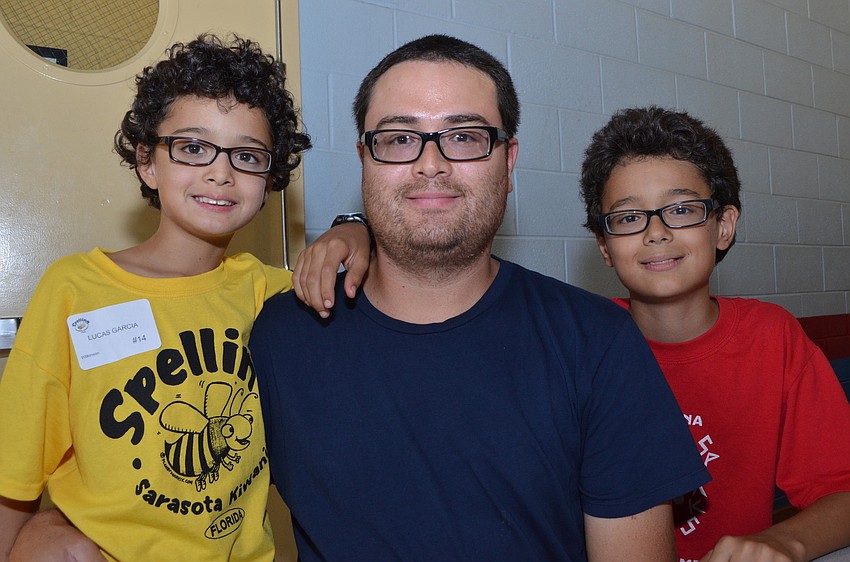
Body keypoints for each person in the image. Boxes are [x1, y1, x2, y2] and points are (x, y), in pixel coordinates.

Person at [250, 34, 710, 561]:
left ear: (508, 160)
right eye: (400, 138)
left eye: (465, 136)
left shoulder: (595, 342)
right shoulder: (280, 335)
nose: (430, 163)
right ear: (364, 159)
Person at [0, 34, 370, 562]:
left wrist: (355, 230)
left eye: (247, 155)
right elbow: (14, 472)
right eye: (193, 147)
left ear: (269, 181)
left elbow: (393, 275)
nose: (221, 172)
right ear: (148, 161)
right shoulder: (74, 288)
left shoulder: (271, 291)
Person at [579, 106, 850, 562]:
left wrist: (782, 541)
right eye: (628, 218)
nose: (657, 233)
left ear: (722, 226)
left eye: (682, 210)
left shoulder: (772, 337)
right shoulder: (579, 343)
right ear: (605, 246)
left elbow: (842, 490)